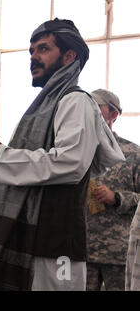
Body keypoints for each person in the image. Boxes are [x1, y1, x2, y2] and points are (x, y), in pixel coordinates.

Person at [0, 18, 125, 291]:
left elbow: (70, 164)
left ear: (69, 56)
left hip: (58, 245)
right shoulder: (44, 106)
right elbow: (34, 165)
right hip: (29, 238)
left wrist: (0, 157)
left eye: (43, 49)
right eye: (31, 51)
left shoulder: (76, 101)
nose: (33, 57)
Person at [84, 89, 139, 291]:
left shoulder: (133, 153)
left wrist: (117, 198)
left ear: (113, 114)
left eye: (97, 107)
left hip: (117, 254)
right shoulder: (76, 150)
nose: (90, 112)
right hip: (81, 252)